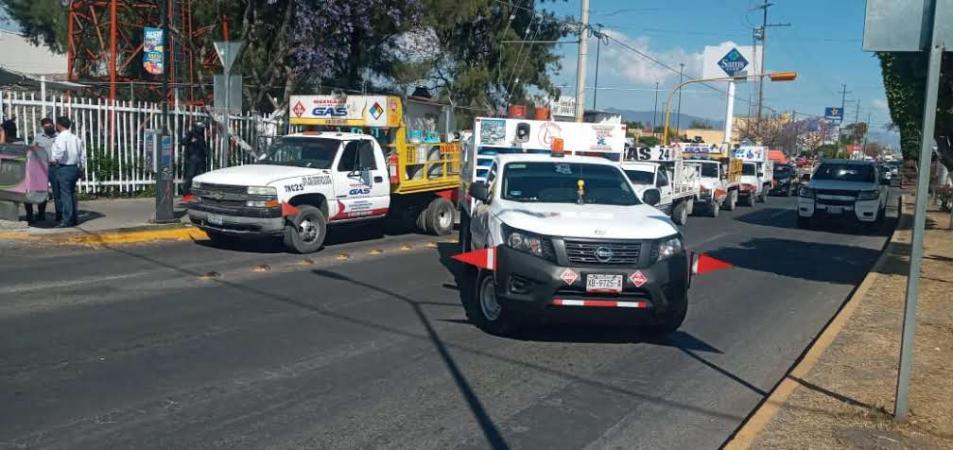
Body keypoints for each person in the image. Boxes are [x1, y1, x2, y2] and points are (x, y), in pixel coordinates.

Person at [50, 116, 86, 228]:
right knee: (71, 193)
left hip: (64, 167)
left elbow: (60, 150)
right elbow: (82, 155)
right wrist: (82, 168)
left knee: (65, 195)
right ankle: (73, 218)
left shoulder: (61, 138)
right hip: (74, 167)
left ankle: (67, 220)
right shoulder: (76, 138)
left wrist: (55, 160)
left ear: (59, 125)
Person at [25, 118, 60, 224]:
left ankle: (59, 214)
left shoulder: (59, 137)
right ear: (43, 127)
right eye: (46, 126)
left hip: (54, 167)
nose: (49, 127)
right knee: (40, 190)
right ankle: (40, 214)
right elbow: (32, 148)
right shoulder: (39, 137)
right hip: (40, 166)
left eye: (50, 125)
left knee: (57, 191)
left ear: (53, 125)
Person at [181, 121, 208, 193]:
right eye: (200, 128)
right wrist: (190, 140)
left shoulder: (201, 136)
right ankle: (187, 192)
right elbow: (183, 142)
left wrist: (205, 153)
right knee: (190, 175)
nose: (201, 129)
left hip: (200, 158)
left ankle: (196, 192)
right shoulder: (191, 134)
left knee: (199, 176)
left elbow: (203, 147)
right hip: (192, 158)